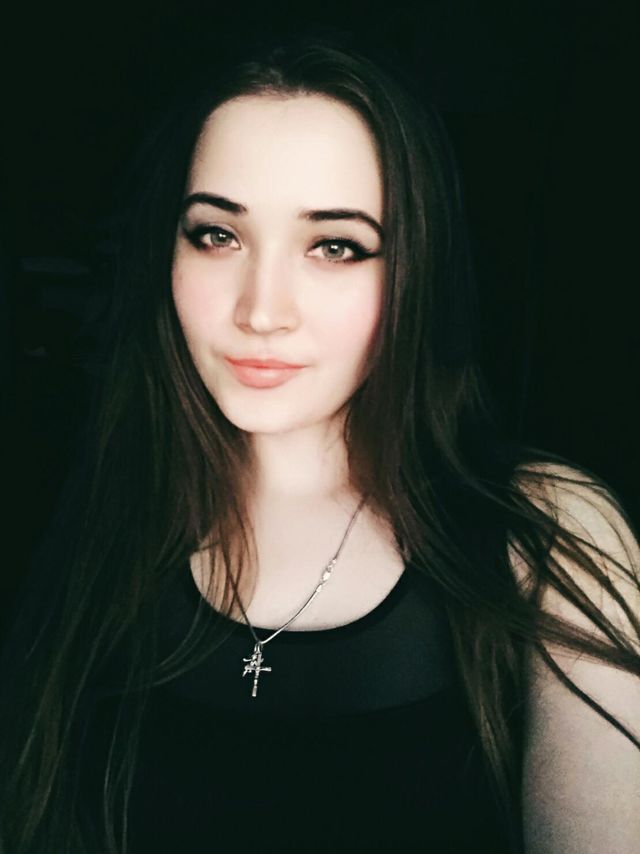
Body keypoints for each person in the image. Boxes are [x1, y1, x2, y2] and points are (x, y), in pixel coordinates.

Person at [1, 31, 639, 854]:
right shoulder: (91, 503)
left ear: (415, 270)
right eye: (217, 235)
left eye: (335, 246)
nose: (261, 311)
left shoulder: (547, 533)